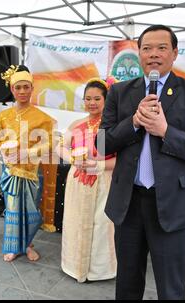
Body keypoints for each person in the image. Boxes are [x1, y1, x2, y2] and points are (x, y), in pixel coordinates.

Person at [96, 25, 185, 299]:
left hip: (173, 204)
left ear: (175, 53)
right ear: (138, 53)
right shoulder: (120, 92)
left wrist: (165, 131)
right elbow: (101, 144)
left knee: (171, 288)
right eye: (146, 48)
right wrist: (134, 123)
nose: (153, 54)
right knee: (127, 284)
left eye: (161, 48)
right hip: (129, 204)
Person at [0, 65, 56, 262]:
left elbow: (49, 142)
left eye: (26, 87)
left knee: (30, 211)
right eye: (18, 87)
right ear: (12, 89)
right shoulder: (4, 116)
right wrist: (3, 150)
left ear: (32, 88)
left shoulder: (42, 118)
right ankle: (13, 247)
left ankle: (27, 245)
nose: (22, 91)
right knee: (12, 210)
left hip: (32, 172)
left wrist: (27, 152)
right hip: (11, 170)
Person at [56, 78, 117, 283]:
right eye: (88, 99)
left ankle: (100, 271)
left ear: (106, 100)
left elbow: (124, 160)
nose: (92, 103)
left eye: (97, 98)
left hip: (104, 181)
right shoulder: (76, 124)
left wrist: (99, 166)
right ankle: (74, 266)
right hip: (78, 181)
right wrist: (73, 158)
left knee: (102, 225)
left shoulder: (113, 126)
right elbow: (59, 147)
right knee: (75, 222)